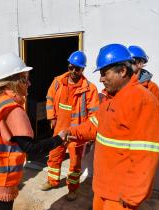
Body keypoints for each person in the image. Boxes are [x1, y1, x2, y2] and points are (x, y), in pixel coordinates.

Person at [0, 53, 69, 210]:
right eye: (25, 79)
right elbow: (31, 148)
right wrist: (59, 138)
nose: (29, 83)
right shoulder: (12, 109)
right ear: (15, 82)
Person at [66, 44, 159, 210]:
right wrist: (70, 132)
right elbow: (94, 125)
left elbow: (147, 154)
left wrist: (132, 196)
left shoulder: (143, 101)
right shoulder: (111, 98)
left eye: (105, 73)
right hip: (103, 187)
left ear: (123, 71)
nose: (101, 79)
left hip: (120, 196)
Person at [42, 51, 99, 201]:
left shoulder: (90, 88)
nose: (73, 71)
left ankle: (72, 189)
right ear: (68, 65)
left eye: (78, 69)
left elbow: (94, 113)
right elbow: (49, 98)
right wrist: (51, 117)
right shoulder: (58, 81)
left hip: (76, 134)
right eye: (71, 67)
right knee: (54, 157)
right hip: (59, 130)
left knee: (74, 164)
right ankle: (52, 181)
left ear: (83, 70)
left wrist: (89, 133)